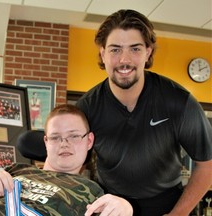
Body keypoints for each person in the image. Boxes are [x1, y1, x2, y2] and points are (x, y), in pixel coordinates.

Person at [77, 9, 212, 216]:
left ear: (148, 52)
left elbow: (207, 164)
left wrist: (178, 214)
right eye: (115, 50)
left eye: (135, 49)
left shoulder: (178, 101)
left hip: (168, 204)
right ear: (102, 53)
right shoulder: (86, 108)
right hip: (111, 205)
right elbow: (69, 160)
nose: (124, 60)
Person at [0, 104, 133, 216]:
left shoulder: (92, 191)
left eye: (74, 136)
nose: (64, 144)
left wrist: (126, 208)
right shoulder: (15, 170)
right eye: (56, 137)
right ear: (46, 142)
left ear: (89, 140)